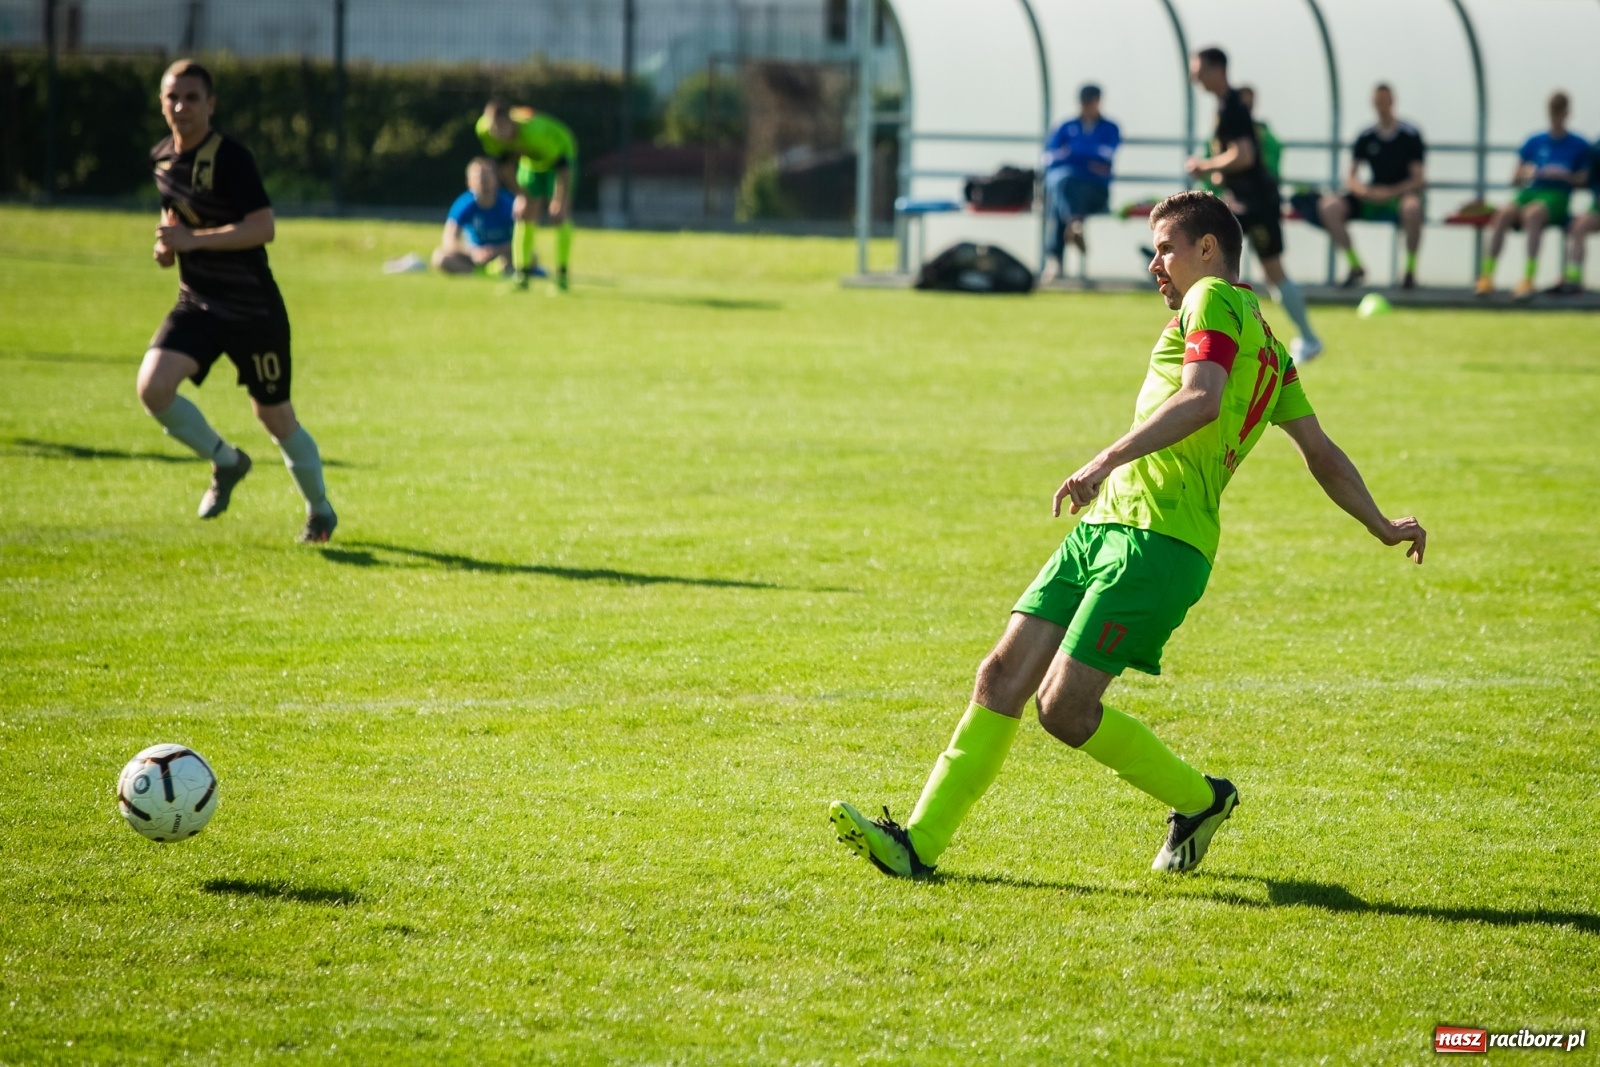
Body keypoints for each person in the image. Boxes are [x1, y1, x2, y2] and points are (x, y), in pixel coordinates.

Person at [829, 190, 1426, 880]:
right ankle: (918, 844)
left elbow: (1202, 398)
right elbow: (1320, 451)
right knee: (1001, 675)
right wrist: (1379, 522)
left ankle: (1201, 800)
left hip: (1161, 540)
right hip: (1108, 526)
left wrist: (1105, 457)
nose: (1156, 264)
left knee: (1063, 706)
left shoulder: (1217, 299)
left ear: (1208, 249)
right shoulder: (1269, 347)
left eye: (1166, 247)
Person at [137, 59, 336, 544]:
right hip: (198, 303)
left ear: (211, 104)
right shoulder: (161, 158)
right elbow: (175, 221)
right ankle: (226, 462)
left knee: (275, 417)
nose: (181, 106)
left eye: (191, 97)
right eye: (172, 97)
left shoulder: (231, 158)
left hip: (252, 309)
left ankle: (319, 510)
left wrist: (194, 242)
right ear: (162, 103)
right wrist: (166, 248)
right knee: (153, 389)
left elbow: (262, 227)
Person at [1185, 47, 1323, 363]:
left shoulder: (1232, 106)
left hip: (1255, 203)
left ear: (1216, 69)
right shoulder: (1225, 105)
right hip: (1245, 199)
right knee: (1221, 260)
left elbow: (1244, 155)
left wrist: (1205, 166)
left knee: (1223, 258)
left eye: (1198, 70)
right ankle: (1230, 337)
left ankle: (1302, 338)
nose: (1194, 77)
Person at [1477, 92, 1590, 299]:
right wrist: (1526, 172)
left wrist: (1567, 176)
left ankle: (1528, 278)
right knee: (1502, 214)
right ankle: (1487, 276)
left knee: (1533, 214)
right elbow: (1514, 178)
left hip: (1556, 196)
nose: (1556, 117)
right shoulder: (1534, 141)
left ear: (1567, 113)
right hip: (1530, 191)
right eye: (1553, 112)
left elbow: (1585, 179)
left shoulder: (1579, 144)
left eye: (1560, 112)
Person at [1317, 84, 1427, 289]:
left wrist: (1390, 192)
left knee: (1413, 209)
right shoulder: (1366, 135)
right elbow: (1350, 176)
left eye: (1385, 100)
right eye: (1378, 101)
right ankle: (1355, 265)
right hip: (1371, 196)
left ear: (1393, 101)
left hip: (1398, 196)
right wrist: (1365, 191)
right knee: (1329, 206)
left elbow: (1418, 179)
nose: (1382, 105)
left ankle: (1409, 271)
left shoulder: (1410, 135)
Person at [476, 99, 577, 291]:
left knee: (559, 216)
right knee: (523, 213)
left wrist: (559, 200)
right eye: (493, 129)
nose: (497, 133)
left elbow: (562, 166)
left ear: (511, 123)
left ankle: (562, 277)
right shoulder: (483, 129)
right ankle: (521, 276)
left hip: (560, 157)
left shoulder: (534, 132)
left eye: (501, 128)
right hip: (531, 161)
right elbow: (504, 165)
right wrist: (521, 195)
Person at [1040, 84, 1120, 282]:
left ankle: (1054, 260)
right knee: (1063, 184)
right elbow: (1048, 159)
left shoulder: (1110, 128)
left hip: (1095, 192)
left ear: (1098, 102)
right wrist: (1087, 160)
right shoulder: (1066, 126)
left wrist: (1071, 153)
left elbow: (1105, 156)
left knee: (1063, 189)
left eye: (1090, 102)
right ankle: (1075, 223)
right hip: (1071, 188)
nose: (1086, 106)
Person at [432, 157, 515, 275]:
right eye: (478, 178)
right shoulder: (463, 204)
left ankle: (500, 271)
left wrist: (496, 251)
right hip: (473, 258)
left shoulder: (509, 204)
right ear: (469, 182)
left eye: (487, 177)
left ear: (496, 180)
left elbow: (519, 238)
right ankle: (480, 274)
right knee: (439, 258)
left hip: (502, 255)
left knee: (530, 257)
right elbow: (449, 240)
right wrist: (473, 253)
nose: (483, 182)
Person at [1551, 137, 1600, 295]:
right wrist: (1564, 175)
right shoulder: (1596, 147)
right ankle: (1574, 279)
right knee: (1577, 226)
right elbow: (1588, 178)